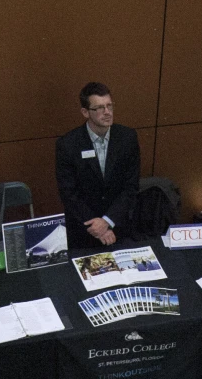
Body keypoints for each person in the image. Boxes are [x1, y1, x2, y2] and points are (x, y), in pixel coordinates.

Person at [53, 82, 142, 252]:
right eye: (99, 108)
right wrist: (97, 227)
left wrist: (107, 222)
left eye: (109, 106)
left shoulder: (127, 138)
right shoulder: (68, 144)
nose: (107, 112)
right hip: (83, 230)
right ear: (85, 112)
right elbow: (68, 194)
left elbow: (131, 187)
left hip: (119, 228)